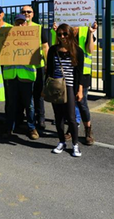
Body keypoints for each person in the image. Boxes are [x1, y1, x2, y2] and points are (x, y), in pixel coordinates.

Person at [52, 22, 98, 145]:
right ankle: (72, 129)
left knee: (82, 103)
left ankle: (88, 130)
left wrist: (91, 33)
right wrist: (54, 31)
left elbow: (90, 50)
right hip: (66, 76)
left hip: (83, 73)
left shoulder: (85, 30)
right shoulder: (62, 30)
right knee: (69, 104)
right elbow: (54, 48)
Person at [46, 23, 84, 157]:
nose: (62, 37)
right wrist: (46, 87)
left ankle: (75, 144)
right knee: (58, 117)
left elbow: (79, 73)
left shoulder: (78, 51)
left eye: (65, 34)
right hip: (56, 86)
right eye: (59, 34)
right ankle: (61, 141)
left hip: (69, 87)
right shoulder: (53, 50)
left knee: (71, 118)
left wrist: (79, 90)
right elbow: (49, 70)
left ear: (70, 34)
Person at [2, 14, 39, 140]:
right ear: (14, 24)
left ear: (26, 24)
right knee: (11, 104)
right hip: (11, 76)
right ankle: (9, 128)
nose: (20, 25)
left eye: (22, 23)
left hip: (26, 76)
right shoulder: (7, 37)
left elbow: (37, 57)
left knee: (29, 104)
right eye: (17, 22)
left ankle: (32, 128)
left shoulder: (32, 38)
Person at [21, 5, 50, 131]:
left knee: (39, 94)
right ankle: (26, 119)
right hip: (24, 67)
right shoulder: (16, 29)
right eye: (24, 12)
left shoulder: (38, 28)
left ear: (33, 14)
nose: (26, 13)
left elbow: (45, 46)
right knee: (26, 95)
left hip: (38, 66)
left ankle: (41, 118)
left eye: (29, 11)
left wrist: (48, 64)